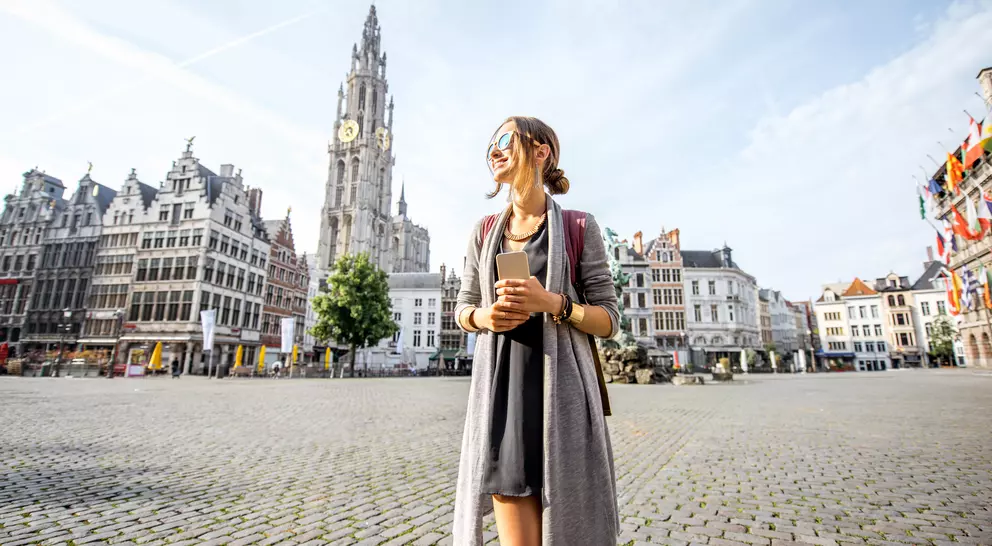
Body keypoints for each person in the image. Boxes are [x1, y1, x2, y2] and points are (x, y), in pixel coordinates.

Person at [452, 116, 620, 545]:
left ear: (541, 151)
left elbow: (609, 319)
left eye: (505, 140)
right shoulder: (483, 231)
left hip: (560, 399)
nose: (494, 149)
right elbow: (463, 308)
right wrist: (485, 318)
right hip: (504, 400)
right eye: (491, 143)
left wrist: (555, 304)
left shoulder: (579, 227)